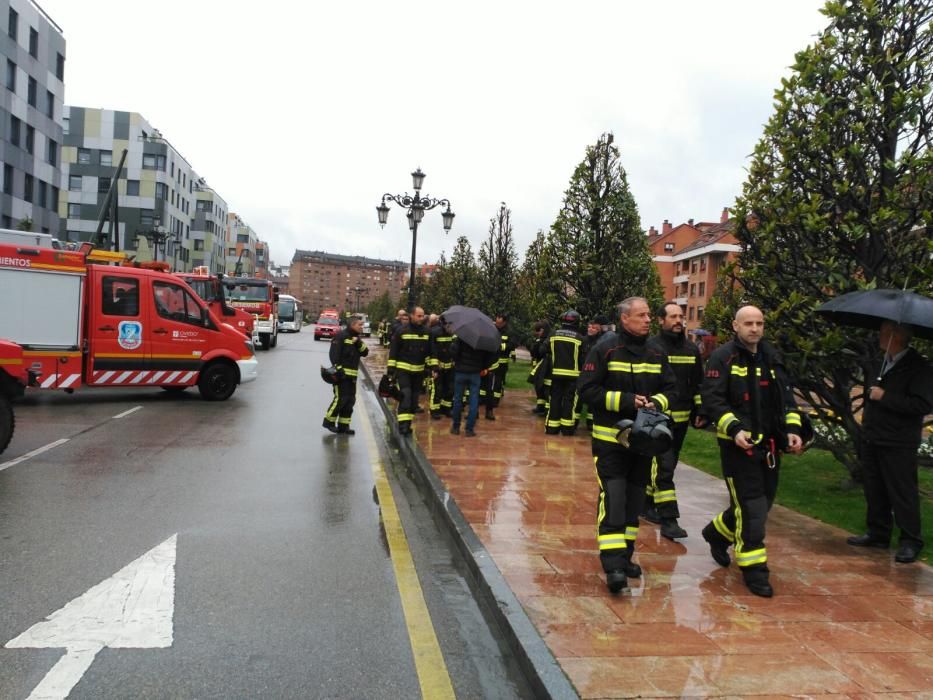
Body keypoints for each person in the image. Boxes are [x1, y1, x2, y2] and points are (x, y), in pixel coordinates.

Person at [699, 305, 803, 598]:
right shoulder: (723, 357)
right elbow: (713, 398)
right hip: (737, 449)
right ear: (735, 326)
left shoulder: (773, 357)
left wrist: (792, 431)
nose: (754, 328)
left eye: (759, 323)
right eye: (748, 323)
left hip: (769, 448)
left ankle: (716, 533)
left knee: (761, 505)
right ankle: (755, 570)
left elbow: (787, 401)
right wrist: (734, 429)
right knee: (752, 508)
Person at [578, 297, 676, 593]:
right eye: (642, 315)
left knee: (634, 504)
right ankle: (613, 566)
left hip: (643, 443)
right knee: (614, 500)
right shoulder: (604, 349)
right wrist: (624, 401)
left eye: (649, 315)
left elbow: (671, 388)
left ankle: (626, 555)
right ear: (624, 319)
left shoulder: (657, 351)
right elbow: (587, 389)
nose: (648, 319)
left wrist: (655, 403)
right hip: (610, 443)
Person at [847, 321, 933, 563]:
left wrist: (885, 397)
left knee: (902, 491)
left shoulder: (919, 368)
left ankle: (910, 540)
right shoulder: (880, 361)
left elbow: (921, 405)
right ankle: (878, 532)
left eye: (885, 333)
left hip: (899, 440)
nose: (880, 337)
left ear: (898, 336)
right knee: (874, 488)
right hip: (874, 435)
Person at [644, 302, 707, 539]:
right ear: (661, 320)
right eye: (673, 316)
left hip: (680, 421)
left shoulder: (692, 350)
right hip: (656, 418)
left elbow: (698, 383)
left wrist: (700, 410)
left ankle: (645, 501)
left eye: (681, 316)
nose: (678, 320)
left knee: (664, 466)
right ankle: (669, 519)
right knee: (665, 467)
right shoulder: (651, 347)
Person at [387, 306, 430, 435]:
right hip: (403, 370)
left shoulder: (427, 332)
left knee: (413, 399)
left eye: (423, 316)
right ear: (412, 316)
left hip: (419, 372)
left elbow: (430, 352)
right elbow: (393, 352)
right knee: (405, 396)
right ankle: (403, 425)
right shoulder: (401, 331)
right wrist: (391, 370)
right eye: (419, 316)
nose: (421, 318)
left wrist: (431, 367)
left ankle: (408, 423)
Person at [322, 315, 369, 435]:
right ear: (353, 325)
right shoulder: (341, 336)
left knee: (350, 401)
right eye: (360, 325)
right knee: (340, 400)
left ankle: (344, 426)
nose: (362, 327)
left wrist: (358, 343)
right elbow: (334, 355)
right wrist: (339, 371)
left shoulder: (357, 338)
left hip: (352, 377)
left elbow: (365, 352)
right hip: (342, 377)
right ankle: (329, 422)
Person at [546, 310, 585, 435]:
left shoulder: (553, 335)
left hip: (556, 374)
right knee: (569, 401)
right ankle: (567, 429)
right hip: (573, 376)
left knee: (555, 399)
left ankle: (552, 428)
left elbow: (542, 350)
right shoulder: (580, 338)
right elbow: (583, 358)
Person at [449, 334, 497, 437]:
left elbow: (453, 353)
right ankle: (469, 429)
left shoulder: (461, 337)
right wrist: (483, 367)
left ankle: (455, 427)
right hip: (475, 373)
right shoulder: (483, 341)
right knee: (474, 400)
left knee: (457, 400)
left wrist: (457, 361)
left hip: (460, 372)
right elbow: (490, 357)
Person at [481, 314, 517, 421]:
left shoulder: (510, 332)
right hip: (491, 360)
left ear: (504, 323)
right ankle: (483, 399)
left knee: (497, 382)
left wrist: (500, 346)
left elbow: (512, 345)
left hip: (502, 362)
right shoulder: (492, 329)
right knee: (487, 382)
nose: (497, 324)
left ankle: (495, 401)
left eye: (499, 323)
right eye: (496, 322)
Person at [577, 315, 609, 431]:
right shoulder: (583, 340)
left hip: (595, 374)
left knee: (593, 400)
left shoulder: (600, 342)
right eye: (589, 327)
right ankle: (575, 421)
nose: (590, 329)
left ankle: (590, 423)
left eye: (594, 328)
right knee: (579, 399)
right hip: (582, 372)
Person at [428, 315, 455, 419]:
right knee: (437, 389)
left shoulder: (453, 334)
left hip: (450, 367)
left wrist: (454, 359)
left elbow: (454, 348)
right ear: (444, 323)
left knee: (450, 389)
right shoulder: (435, 332)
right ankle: (434, 410)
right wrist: (434, 367)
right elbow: (432, 351)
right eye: (449, 324)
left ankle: (446, 408)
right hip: (438, 368)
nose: (451, 327)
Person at [528, 320, 551, 415]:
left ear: (543, 330)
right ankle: (540, 406)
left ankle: (547, 409)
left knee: (546, 389)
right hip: (539, 368)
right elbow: (533, 353)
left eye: (538, 330)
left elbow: (541, 352)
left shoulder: (549, 340)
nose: (536, 333)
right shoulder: (539, 339)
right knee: (539, 387)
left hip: (547, 368)